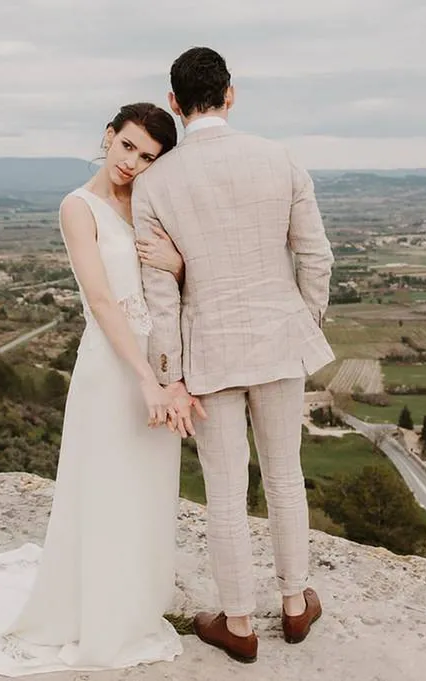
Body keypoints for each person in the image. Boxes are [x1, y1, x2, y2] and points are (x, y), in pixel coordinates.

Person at [0, 102, 202, 676]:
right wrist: (146, 381)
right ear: (109, 137)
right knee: (104, 490)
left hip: (160, 371)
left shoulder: (151, 203)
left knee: (146, 492)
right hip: (112, 371)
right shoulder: (79, 207)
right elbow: (101, 301)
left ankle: (133, 605)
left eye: (148, 157)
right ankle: (92, 612)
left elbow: (185, 282)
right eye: (127, 147)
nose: (133, 163)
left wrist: (178, 268)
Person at [132, 46, 335, 664]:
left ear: (173, 102)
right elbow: (317, 257)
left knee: (224, 490)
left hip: (209, 353)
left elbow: (160, 298)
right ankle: (296, 606)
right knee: (284, 476)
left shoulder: (155, 182)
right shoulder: (280, 159)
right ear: (231, 93)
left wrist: (169, 375)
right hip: (277, 342)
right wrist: (302, 321)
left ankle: (240, 623)